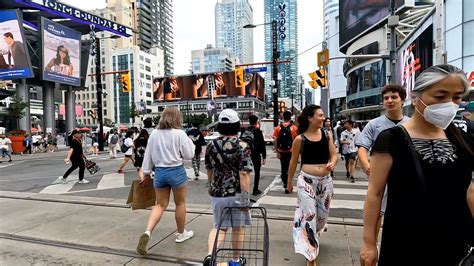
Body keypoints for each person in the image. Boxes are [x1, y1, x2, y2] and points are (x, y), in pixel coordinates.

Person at [360, 64, 474, 266]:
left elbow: (470, 190)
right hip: (406, 241)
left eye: (457, 97)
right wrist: (369, 243)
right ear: (416, 97)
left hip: (456, 241)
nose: (450, 104)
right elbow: (375, 193)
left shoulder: (461, 139)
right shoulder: (391, 139)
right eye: (440, 97)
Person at [136, 107, 195, 255]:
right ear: (177, 118)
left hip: (160, 172)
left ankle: (147, 232)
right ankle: (181, 234)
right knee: (180, 203)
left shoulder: (154, 134)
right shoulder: (180, 134)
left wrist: (146, 173)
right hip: (176, 171)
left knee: (160, 204)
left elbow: (148, 155)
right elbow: (189, 154)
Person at [287, 105, 338, 265]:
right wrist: (289, 183)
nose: (323, 118)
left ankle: (313, 236)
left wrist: (332, 163)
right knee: (309, 216)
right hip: (306, 181)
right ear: (310, 118)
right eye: (320, 115)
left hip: (325, 181)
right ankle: (311, 256)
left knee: (321, 219)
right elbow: (293, 162)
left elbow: (334, 154)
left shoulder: (327, 134)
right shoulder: (299, 139)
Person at [203, 109, 253, 266]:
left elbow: (209, 169)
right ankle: (236, 261)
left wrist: (212, 186)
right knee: (238, 228)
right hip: (237, 194)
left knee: (219, 227)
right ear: (236, 125)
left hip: (217, 194)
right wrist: (245, 199)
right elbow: (244, 174)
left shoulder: (211, 145)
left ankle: (210, 257)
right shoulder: (243, 145)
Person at [273, 111, 298, 193]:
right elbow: (296, 141)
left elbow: (275, 141)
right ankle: (288, 184)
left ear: (283, 117)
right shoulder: (294, 128)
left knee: (283, 167)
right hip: (290, 151)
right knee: (290, 167)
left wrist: (277, 151)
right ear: (290, 117)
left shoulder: (277, 128)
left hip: (281, 151)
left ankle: (284, 182)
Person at [242, 114, 267, 195]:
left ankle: (244, 190)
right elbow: (262, 144)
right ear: (256, 122)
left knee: (245, 172)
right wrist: (264, 156)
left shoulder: (244, 131)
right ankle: (255, 189)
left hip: (245, 154)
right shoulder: (258, 131)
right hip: (255, 154)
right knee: (257, 171)